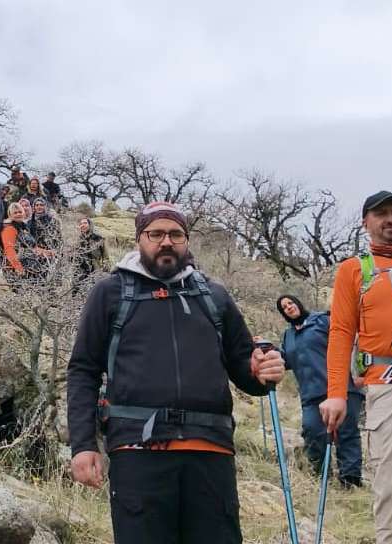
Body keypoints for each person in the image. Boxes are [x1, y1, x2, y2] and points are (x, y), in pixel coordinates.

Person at [67, 201, 286, 543]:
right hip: (137, 450)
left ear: (187, 240)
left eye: (175, 234)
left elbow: (246, 367)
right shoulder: (110, 293)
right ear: (139, 239)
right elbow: (83, 370)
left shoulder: (214, 295)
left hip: (211, 451)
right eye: (155, 234)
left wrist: (263, 371)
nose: (166, 241)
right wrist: (82, 445)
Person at [320, 190, 392, 544]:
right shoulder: (354, 269)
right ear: (366, 222)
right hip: (389, 388)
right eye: (381, 213)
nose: (390, 219)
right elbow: (341, 332)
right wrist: (336, 394)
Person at [276, 294, 363, 487]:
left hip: (340, 389)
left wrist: (361, 371)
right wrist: (266, 350)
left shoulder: (322, 320)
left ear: (298, 303)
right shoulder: (288, 336)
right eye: (284, 307)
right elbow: (286, 360)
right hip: (310, 395)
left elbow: (350, 339)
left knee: (346, 434)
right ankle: (322, 479)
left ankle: (350, 482)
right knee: (312, 433)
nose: (288, 307)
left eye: (290, 303)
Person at [73, 217, 107, 292]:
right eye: (81, 224)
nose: (83, 225)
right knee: (77, 291)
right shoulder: (76, 239)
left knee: (93, 291)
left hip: (94, 270)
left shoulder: (98, 238)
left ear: (90, 225)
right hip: (79, 270)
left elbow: (105, 256)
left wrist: (106, 270)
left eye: (85, 223)